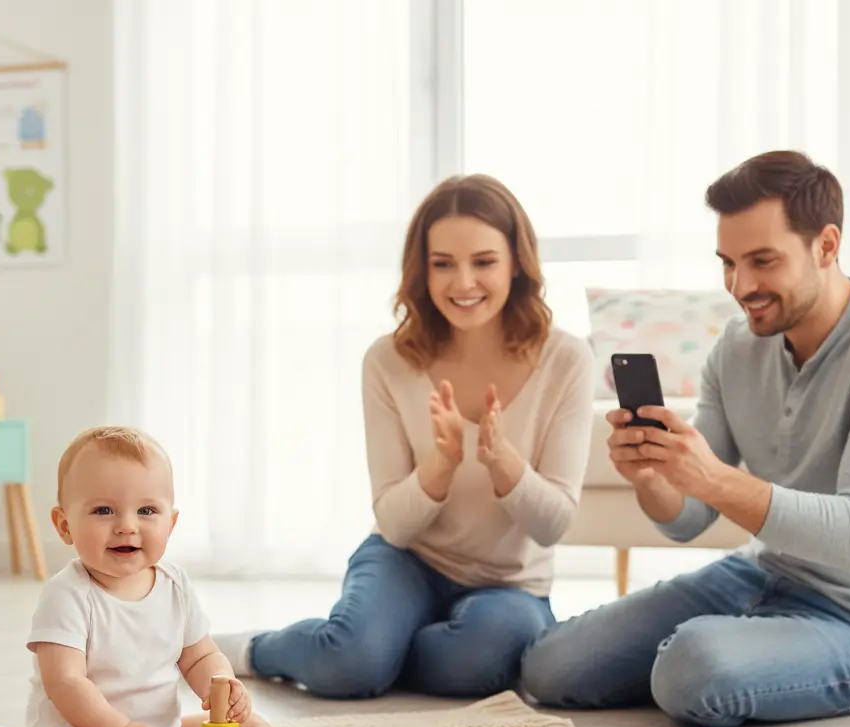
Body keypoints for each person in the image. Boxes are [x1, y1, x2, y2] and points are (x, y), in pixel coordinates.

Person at [215, 174, 595, 700]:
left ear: (517, 263)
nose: (463, 283)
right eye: (443, 264)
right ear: (422, 270)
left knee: (479, 663)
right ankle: (260, 648)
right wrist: (440, 466)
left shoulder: (566, 360)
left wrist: (503, 462)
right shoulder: (388, 360)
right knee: (351, 665)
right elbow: (393, 524)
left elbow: (552, 526)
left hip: (510, 585)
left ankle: (375, 647)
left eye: (483, 261)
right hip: (408, 559)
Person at [520, 149, 850, 727]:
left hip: (847, 611)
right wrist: (654, 478)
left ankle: (769, 656)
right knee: (550, 666)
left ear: (827, 245)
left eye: (762, 261)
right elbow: (687, 520)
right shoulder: (736, 347)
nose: (740, 285)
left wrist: (716, 478)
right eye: (727, 262)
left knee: (692, 667)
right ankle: (763, 650)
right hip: (763, 573)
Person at [21, 425, 353, 727]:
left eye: (146, 511)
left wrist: (222, 687)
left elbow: (199, 656)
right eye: (103, 510)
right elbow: (65, 682)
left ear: (171, 524)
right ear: (64, 526)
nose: (127, 525)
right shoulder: (67, 594)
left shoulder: (174, 585)